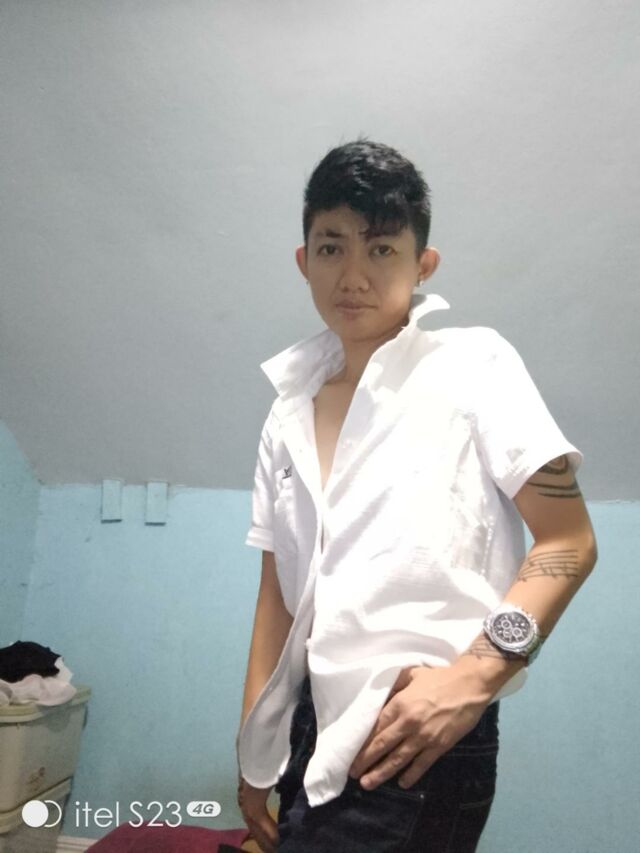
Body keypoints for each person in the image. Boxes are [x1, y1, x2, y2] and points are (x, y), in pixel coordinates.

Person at [235, 138, 598, 852]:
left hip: (417, 726)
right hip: (309, 725)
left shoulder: (473, 364)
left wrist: (472, 681)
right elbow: (278, 593)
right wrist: (256, 747)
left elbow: (570, 540)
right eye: (332, 248)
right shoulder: (288, 409)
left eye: (381, 249)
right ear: (305, 260)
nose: (354, 275)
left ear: (422, 264)